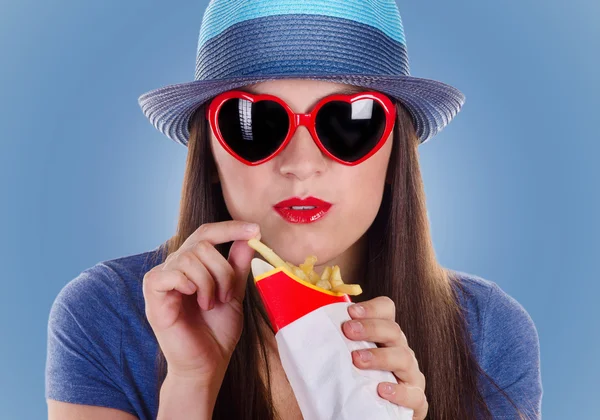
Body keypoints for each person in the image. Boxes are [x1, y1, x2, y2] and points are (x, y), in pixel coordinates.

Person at [45, 1, 543, 419]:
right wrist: (193, 383)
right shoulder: (107, 315)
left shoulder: (487, 332)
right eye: (256, 123)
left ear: (395, 155)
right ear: (211, 157)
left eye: (351, 122)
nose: (302, 165)